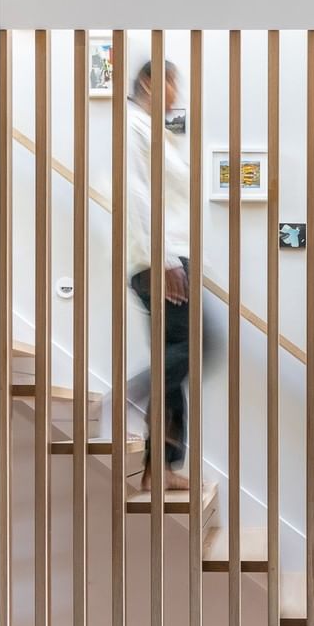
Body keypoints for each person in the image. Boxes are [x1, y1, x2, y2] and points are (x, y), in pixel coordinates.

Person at [127, 59, 191, 491]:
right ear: (149, 83)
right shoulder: (135, 127)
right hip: (159, 260)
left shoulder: (158, 133)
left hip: (168, 257)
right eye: (171, 83)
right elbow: (137, 193)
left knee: (175, 358)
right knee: (193, 347)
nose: (176, 94)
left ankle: (159, 469)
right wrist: (165, 259)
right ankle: (129, 396)